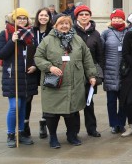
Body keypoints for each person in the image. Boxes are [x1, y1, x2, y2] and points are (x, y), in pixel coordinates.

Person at [34, 14, 98, 149]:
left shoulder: (77, 40)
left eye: (67, 24)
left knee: (72, 112)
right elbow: (38, 57)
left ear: (70, 25)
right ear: (55, 25)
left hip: (74, 83)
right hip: (55, 84)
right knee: (52, 114)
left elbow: (87, 58)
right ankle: (53, 137)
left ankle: (72, 135)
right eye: (61, 24)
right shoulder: (47, 41)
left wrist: (92, 75)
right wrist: (49, 67)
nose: (64, 26)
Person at [0, 8, 38, 148]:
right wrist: (12, 41)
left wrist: (35, 65)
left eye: (24, 18)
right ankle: (10, 134)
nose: (22, 20)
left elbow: (37, 53)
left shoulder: (30, 34)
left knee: (23, 107)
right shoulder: (6, 34)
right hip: (12, 75)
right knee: (15, 106)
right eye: (19, 18)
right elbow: (0, 54)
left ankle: (21, 133)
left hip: (27, 76)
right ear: (14, 19)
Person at [73, 5, 104, 138]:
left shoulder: (96, 34)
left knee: (89, 102)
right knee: (74, 102)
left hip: (90, 72)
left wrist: (98, 72)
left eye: (86, 14)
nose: (84, 16)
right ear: (77, 17)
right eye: (81, 14)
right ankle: (73, 131)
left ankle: (91, 128)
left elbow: (100, 55)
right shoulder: (71, 32)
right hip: (75, 72)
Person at [101, 9, 129, 134]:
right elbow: (100, 51)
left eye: (119, 18)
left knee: (124, 101)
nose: (117, 20)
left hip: (125, 71)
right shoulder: (106, 33)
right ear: (111, 20)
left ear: (123, 19)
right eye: (114, 18)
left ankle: (121, 123)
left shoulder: (129, 32)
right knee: (111, 101)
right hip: (110, 70)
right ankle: (113, 123)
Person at [30, 7, 53, 139]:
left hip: (46, 68)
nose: (43, 17)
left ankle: (44, 122)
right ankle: (25, 124)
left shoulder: (52, 32)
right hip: (33, 68)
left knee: (47, 95)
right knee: (29, 97)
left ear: (49, 17)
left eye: (46, 15)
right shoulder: (32, 32)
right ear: (37, 17)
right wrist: (34, 65)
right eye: (41, 15)